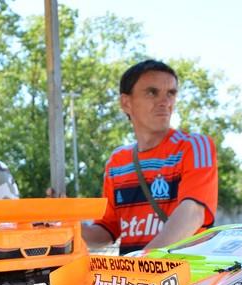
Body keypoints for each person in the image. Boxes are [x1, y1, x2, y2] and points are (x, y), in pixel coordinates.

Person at [82, 60, 218, 255]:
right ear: (126, 103)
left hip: (187, 279)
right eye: (152, 92)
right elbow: (106, 232)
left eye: (171, 93)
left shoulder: (195, 146)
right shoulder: (117, 161)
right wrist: (64, 225)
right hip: (134, 281)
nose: (165, 102)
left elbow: (193, 215)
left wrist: (139, 265)